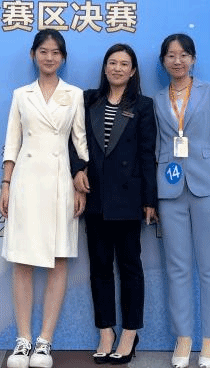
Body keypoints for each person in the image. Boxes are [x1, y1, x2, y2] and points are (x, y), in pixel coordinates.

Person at [0, 29, 89, 368]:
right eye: (43, 51)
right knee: (21, 259)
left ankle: (44, 341)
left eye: (55, 52)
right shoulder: (21, 95)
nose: (49, 57)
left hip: (61, 183)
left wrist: (80, 185)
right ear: (33, 55)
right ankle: (22, 340)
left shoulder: (74, 94)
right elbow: (12, 142)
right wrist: (6, 183)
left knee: (58, 258)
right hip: (26, 181)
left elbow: (80, 144)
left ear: (63, 58)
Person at [71, 43, 157, 365]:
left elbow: (147, 154)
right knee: (100, 267)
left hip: (129, 198)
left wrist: (150, 199)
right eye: (112, 62)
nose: (117, 68)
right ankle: (105, 331)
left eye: (124, 64)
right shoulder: (88, 99)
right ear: (105, 67)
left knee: (131, 267)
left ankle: (130, 333)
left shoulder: (143, 105)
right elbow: (73, 140)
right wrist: (78, 169)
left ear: (133, 71)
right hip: (95, 196)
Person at [153, 33, 210, 368]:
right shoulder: (157, 100)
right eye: (171, 55)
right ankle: (183, 336)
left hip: (206, 186)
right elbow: (157, 145)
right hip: (169, 188)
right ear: (163, 61)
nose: (177, 61)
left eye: (183, 55)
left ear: (193, 59)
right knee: (177, 267)